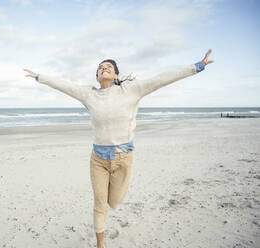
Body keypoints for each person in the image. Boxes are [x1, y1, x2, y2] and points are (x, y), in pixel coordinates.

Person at [24, 49, 214, 248]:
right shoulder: (89, 95)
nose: (103, 68)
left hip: (123, 158)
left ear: (115, 75)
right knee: (99, 203)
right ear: (97, 77)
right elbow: (64, 86)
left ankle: (112, 203)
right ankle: (100, 245)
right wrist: (39, 77)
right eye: (100, 68)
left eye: (108, 67)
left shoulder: (131, 90)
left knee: (113, 202)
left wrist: (197, 66)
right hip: (97, 159)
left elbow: (163, 78)